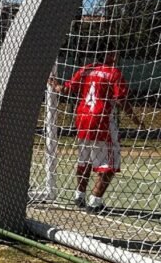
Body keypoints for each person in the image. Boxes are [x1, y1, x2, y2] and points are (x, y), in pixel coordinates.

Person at [49, 50, 141, 212]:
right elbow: (121, 99)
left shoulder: (86, 70)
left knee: (84, 159)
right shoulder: (113, 72)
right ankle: (94, 202)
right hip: (101, 120)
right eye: (115, 54)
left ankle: (79, 195)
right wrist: (135, 119)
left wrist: (55, 85)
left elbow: (65, 89)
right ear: (110, 55)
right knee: (110, 164)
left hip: (82, 118)